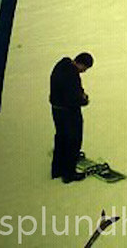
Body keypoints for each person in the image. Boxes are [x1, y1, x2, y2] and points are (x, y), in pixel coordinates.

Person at [49, 52, 93, 183]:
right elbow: (73, 97)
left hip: (56, 109)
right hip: (69, 112)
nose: (84, 71)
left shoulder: (62, 65)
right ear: (81, 64)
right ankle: (69, 173)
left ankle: (57, 169)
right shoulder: (71, 75)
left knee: (61, 137)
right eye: (85, 68)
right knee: (73, 141)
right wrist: (84, 100)